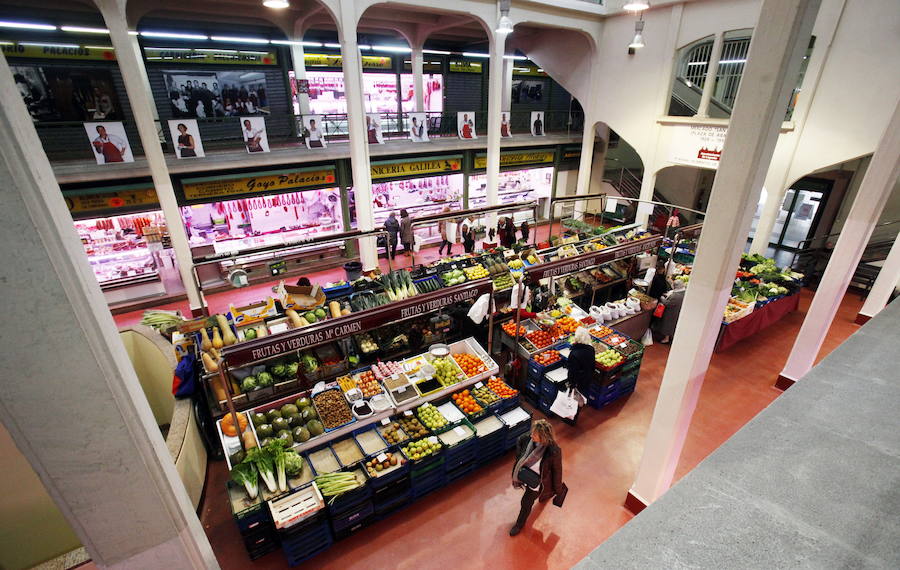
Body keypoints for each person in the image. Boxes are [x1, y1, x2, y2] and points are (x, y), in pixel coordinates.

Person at [510, 419, 564, 536]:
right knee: (536, 496)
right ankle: (544, 495)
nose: (531, 435)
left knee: (526, 502)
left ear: (543, 437)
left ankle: (519, 524)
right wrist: (520, 459)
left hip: (539, 482)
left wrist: (558, 490)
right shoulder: (527, 440)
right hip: (526, 476)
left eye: (535, 434)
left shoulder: (553, 451)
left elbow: (557, 471)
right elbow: (519, 443)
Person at [564, 327, 596, 425]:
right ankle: (574, 416)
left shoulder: (574, 353)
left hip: (577, 381)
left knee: (573, 399)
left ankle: (570, 419)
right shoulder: (591, 349)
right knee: (580, 398)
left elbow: (572, 371)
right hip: (587, 378)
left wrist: (572, 383)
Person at [654, 279, 686, 344]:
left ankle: (666, 339)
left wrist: (662, 298)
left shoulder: (676, 296)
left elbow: (667, 303)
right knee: (673, 325)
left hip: (671, 313)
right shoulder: (684, 293)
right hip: (677, 311)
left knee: (668, 325)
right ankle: (669, 337)